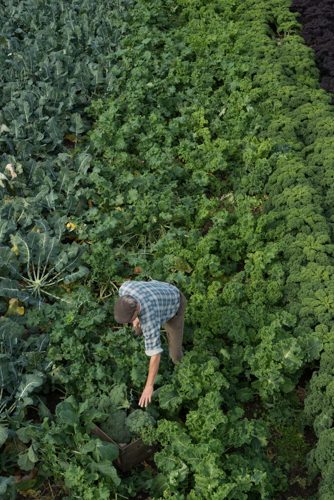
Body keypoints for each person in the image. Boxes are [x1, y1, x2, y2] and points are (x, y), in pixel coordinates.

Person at [114, 280, 187, 407]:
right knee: (137, 328)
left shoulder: (150, 317)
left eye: (130, 319)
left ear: (137, 309)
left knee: (175, 354)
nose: (128, 322)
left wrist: (149, 386)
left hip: (174, 304)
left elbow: (155, 355)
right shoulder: (124, 289)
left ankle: (183, 367)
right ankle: (138, 333)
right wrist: (136, 319)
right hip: (160, 291)